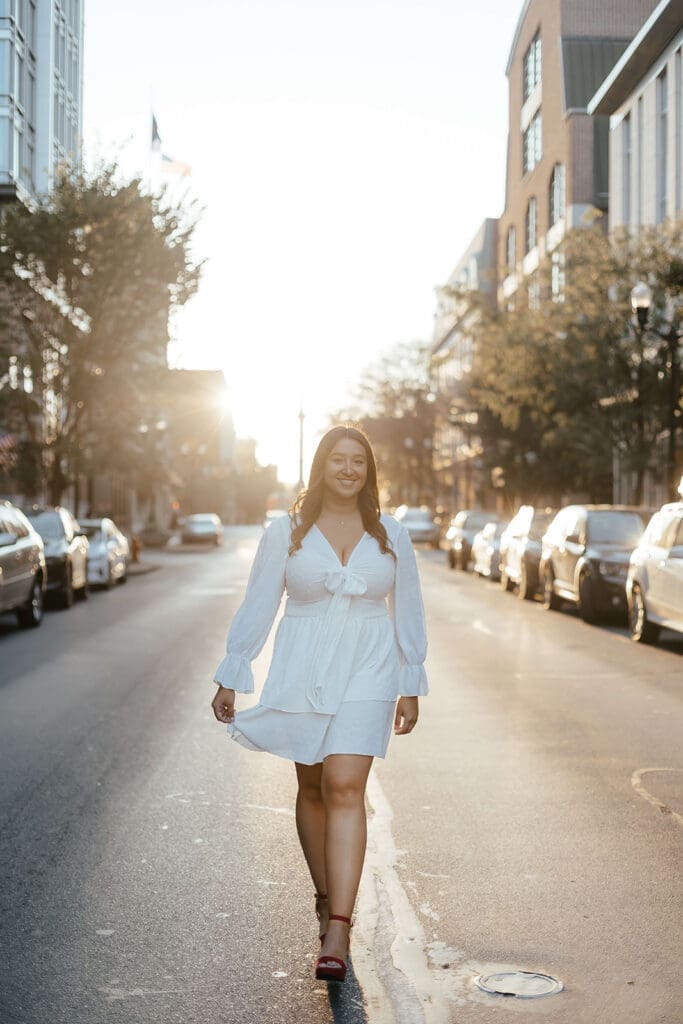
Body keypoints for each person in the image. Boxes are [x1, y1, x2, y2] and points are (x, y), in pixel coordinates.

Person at [211, 424, 428, 983]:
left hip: (369, 666)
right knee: (310, 786)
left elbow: (408, 610)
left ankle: (339, 925)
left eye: (359, 461)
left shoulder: (390, 535)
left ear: (369, 471)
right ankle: (326, 890)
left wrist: (410, 681)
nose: (349, 469)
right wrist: (233, 672)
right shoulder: (284, 531)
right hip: (301, 667)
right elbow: (260, 601)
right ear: (321, 466)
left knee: (344, 785)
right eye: (339, 459)